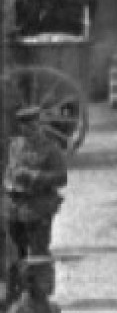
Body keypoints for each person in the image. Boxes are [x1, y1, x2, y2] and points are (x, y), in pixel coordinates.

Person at [5, 105, 69, 269]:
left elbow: (62, 178)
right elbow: (10, 170)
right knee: (16, 253)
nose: (30, 131)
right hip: (16, 207)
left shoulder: (51, 149)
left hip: (39, 206)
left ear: (39, 126)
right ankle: (18, 288)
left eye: (34, 126)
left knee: (38, 252)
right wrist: (11, 179)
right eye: (26, 128)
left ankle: (39, 291)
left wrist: (34, 176)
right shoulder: (15, 146)